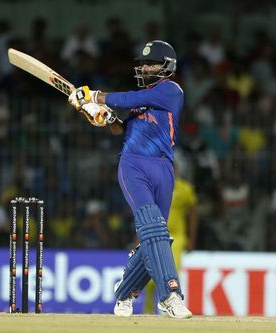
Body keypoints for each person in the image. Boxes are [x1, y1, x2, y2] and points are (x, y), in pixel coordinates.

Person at [68, 40, 192, 318]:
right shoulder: (144, 99)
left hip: (163, 168)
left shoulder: (171, 91)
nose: (145, 66)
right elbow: (122, 132)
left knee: (156, 235)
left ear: (167, 66)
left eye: (151, 63)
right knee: (151, 227)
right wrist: (105, 117)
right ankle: (171, 295)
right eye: (143, 63)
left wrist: (94, 96)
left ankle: (124, 292)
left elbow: (129, 99)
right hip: (133, 165)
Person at [143, 165, 198, 313]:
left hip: (177, 236)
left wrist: (191, 238)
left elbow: (193, 213)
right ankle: (147, 312)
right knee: (149, 278)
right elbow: (143, 212)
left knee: (172, 274)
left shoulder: (185, 189)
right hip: (155, 234)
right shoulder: (154, 187)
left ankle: (169, 310)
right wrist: (138, 237)